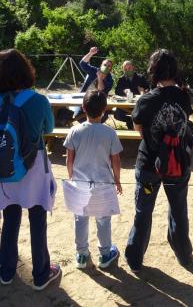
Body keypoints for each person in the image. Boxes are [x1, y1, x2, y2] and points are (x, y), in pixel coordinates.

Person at [0, 49, 61, 290]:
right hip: (33, 162)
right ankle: (41, 274)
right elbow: (48, 128)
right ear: (26, 70)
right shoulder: (38, 100)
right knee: (37, 219)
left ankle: (6, 271)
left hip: (5, 162)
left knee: (10, 219)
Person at [125, 49, 193, 272]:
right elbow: (185, 123)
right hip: (179, 164)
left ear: (153, 70)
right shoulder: (183, 95)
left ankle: (135, 259)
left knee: (143, 212)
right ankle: (184, 255)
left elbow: (138, 129)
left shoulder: (147, 100)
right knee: (179, 210)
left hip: (149, 166)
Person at [63, 89, 123, 269]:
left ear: (83, 108)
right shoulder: (110, 133)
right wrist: (117, 181)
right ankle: (105, 254)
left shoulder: (74, 131)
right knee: (103, 220)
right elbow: (116, 161)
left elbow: (69, 159)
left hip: (80, 184)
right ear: (104, 110)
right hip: (103, 184)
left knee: (80, 218)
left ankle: (82, 254)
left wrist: (71, 176)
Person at [114, 61, 149, 129]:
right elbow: (117, 91)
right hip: (125, 104)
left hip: (138, 104)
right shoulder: (122, 79)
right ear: (123, 70)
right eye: (125, 69)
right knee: (117, 114)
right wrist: (124, 91)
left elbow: (148, 88)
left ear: (133, 67)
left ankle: (138, 128)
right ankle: (129, 121)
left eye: (129, 68)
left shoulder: (140, 77)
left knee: (144, 115)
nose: (127, 70)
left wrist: (143, 91)